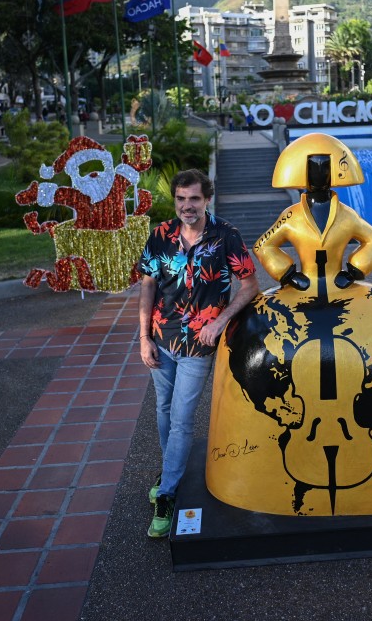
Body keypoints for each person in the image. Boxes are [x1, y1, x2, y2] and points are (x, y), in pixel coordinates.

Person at [136, 169, 258, 539]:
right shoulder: (160, 236)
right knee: (163, 410)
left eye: (194, 199)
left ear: (207, 199)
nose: (186, 206)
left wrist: (220, 322)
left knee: (182, 418)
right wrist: (142, 337)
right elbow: (147, 286)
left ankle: (168, 493)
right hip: (161, 338)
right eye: (180, 199)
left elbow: (250, 285)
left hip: (198, 345)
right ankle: (172, 468)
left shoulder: (226, 236)